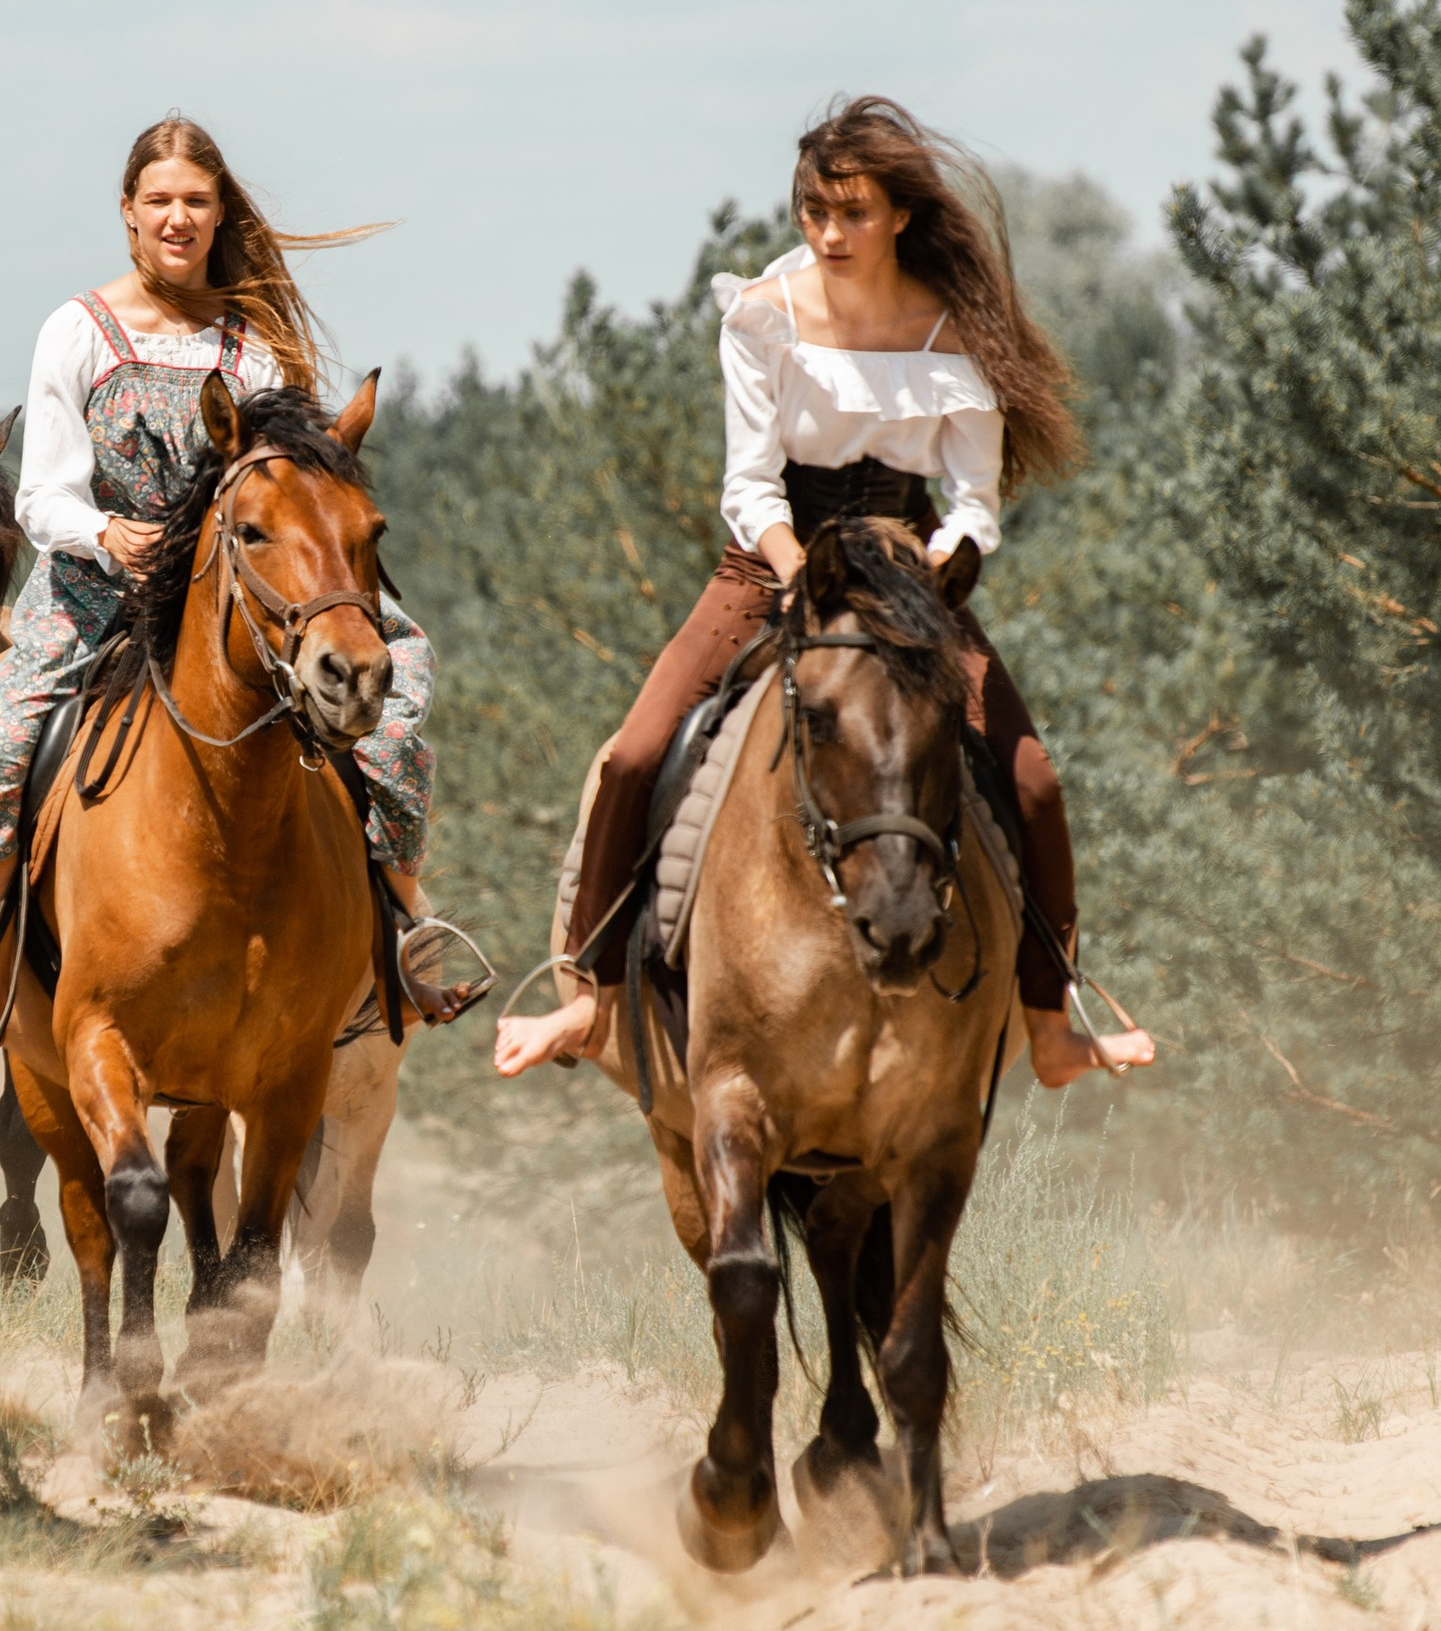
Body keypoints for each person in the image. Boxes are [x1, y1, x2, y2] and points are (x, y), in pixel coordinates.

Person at [493, 94, 1155, 1092]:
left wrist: (941, 566)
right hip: (769, 563)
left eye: (851, 212)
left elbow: (974, 501)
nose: (829, 233)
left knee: (1032, 782)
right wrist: (805, 577)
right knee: (632, 755)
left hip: (908, 575)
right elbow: (749, 486)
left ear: (897, 214)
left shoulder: (954, 328)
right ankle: (587, 997)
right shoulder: (763, 313)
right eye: (814, 212)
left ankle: (1051, 1022)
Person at [0, 116, 442, 1050]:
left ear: (217, 212)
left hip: (241, 591)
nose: (178, 218)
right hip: (96, 591)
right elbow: (40, 495)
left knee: (393, 689)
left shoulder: (256, 344)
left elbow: (288, 483)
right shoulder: (78, 329)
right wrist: (108, 533)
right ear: (127, 212)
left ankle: (402, 935)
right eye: (158, 200)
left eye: (195, 201)